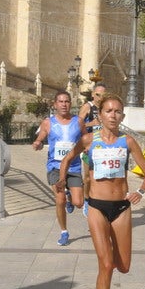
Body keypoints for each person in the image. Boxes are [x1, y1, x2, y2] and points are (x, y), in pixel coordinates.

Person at [58, 93, 145, 289]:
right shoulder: (89, 140)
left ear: (122, 116)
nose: (113, 115)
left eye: (118, 111)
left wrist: (140, 193)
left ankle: (113, 255)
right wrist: (62, 181)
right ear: (100, 115)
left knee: (123, 266)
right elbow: (68, 159)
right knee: (105, 263)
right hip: (97, 207)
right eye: (109, 111)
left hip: (121, 207)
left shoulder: (128, 141)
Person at [32, 90, 85, 246]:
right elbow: (41, 137)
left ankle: (71, 198)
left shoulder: (79, 121)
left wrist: (89, 148)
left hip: (74, 166)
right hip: (55, 166)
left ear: (70, 104)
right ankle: (64, 231)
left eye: (67, 101)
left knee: (79, 203)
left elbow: (85, 138)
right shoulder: (48, 122)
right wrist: (38, 143)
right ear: (55, 104)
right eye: (61, 101)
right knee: (59, 199)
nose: (64, 104)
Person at [78, 83, 107, 216]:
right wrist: (92, 123)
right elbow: (77, 125)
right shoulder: (87, 107)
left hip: (103, 146)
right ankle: (86, 200)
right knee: (88, 178)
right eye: (98, 95)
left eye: (103, 95)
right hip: (88, 147)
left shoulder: (106, 108)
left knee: (102, 177)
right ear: (92, 95)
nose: (100, 98)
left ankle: (99, 202)